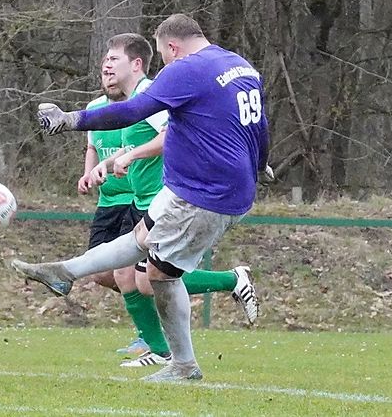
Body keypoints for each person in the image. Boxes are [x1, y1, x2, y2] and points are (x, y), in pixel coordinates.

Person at [19, 21, 268, 380]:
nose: (164, 65)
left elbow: (133, 110)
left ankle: (183, 365)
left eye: (163, 56)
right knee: (141, 238)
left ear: (172, 47)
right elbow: (259, 125)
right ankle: (64, 272)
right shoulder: (238, 65)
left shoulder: (187, 69)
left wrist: (71, 120)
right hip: (197, 186)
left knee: (158, 275)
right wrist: (259, 163)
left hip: (205, 192)